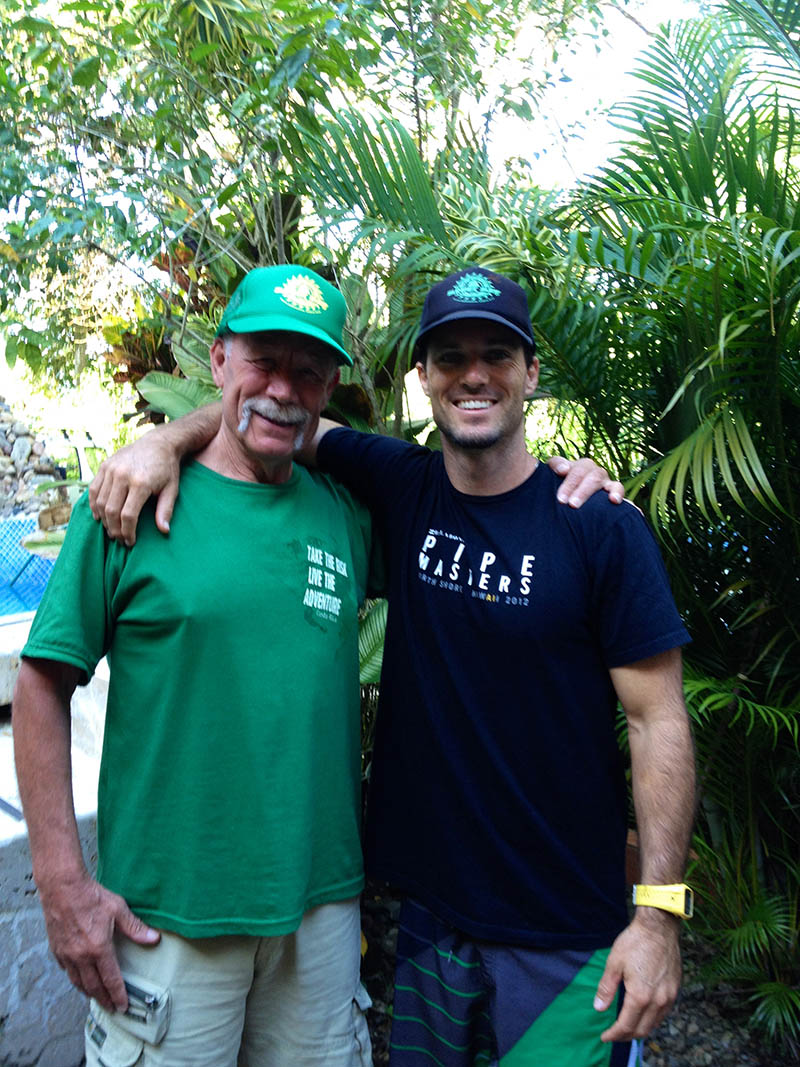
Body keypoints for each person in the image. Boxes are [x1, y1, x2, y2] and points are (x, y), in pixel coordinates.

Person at [88, 267, 694, 1067]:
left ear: (531, 374)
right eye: (450, 357)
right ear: (425, 378)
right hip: (431, 919)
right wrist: (165, 438)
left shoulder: (598, 526)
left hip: (565, 933)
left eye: (496, 354)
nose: (473, 374)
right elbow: (274, 415)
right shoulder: (402, 488)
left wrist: (656, 919)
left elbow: (659, 721)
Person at [13, 265, 379, 1066]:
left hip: (320, 911)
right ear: (219, 360)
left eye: (308, 369)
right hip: (169, 915)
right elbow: (40, 685)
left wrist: (571, 484)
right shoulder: (125, 503)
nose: (284, 388)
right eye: (263, 361)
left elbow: (467, 502)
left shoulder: (345, 514)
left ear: (329, 386)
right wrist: (63, 884)